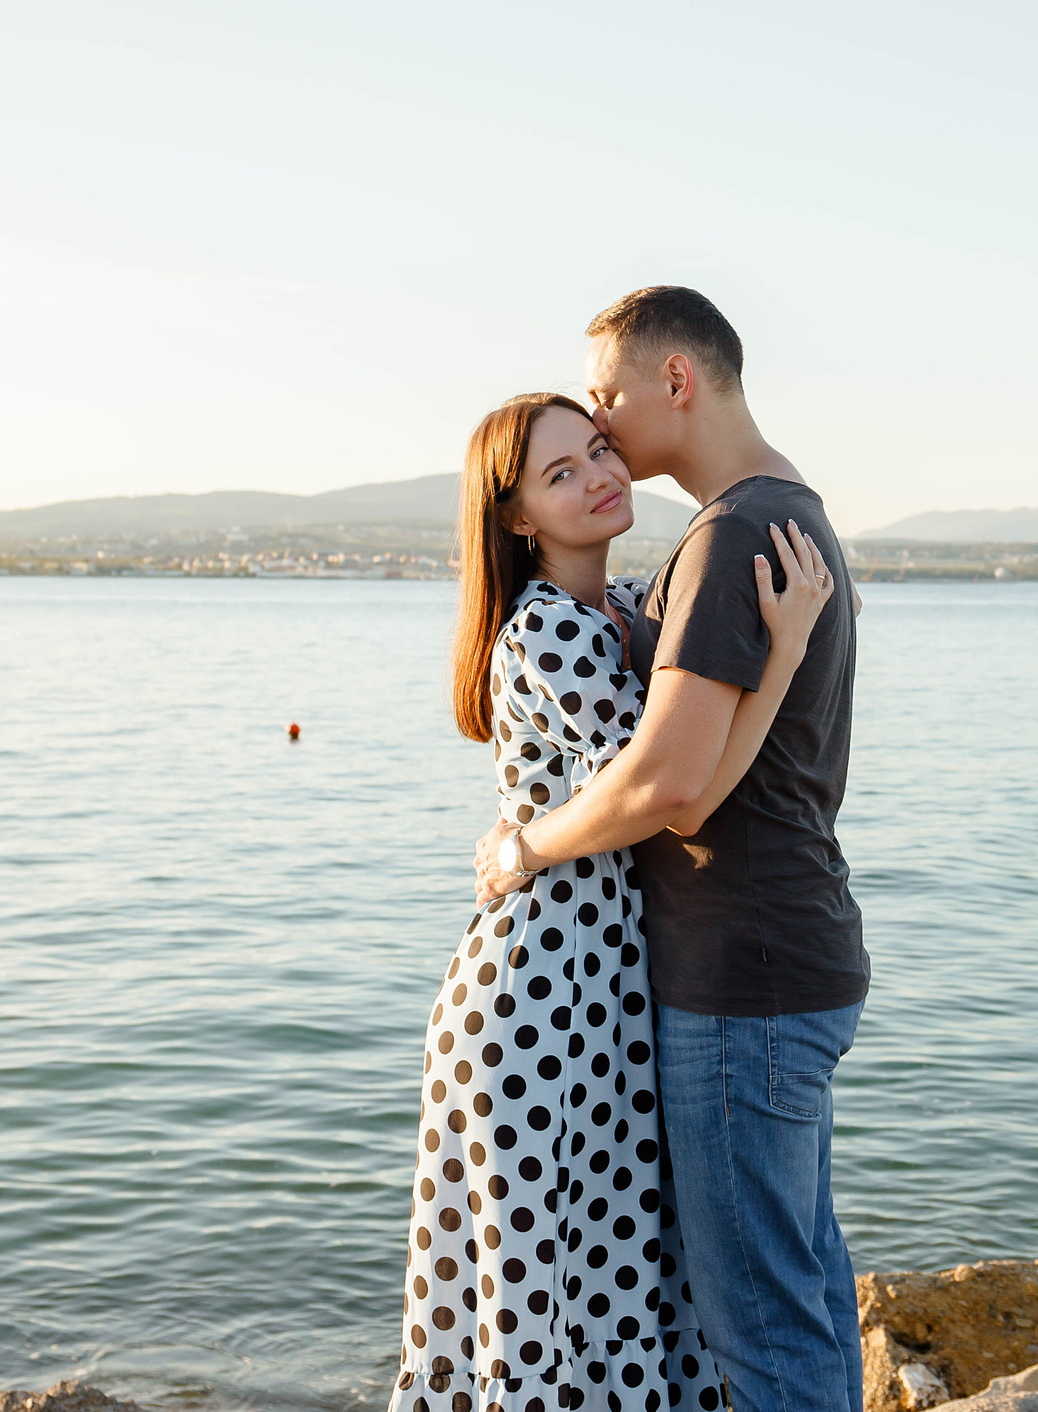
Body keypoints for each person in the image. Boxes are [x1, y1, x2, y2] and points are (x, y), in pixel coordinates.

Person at [394, 390, 837, 1412]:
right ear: (516, 516)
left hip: (602, 991)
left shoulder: (629, 607)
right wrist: (781, 657)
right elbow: (676, 793)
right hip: (540, 1001)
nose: (599, 475)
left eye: (599, 449)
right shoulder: (549, 632)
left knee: (610, 1287)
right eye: (562, 473)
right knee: (549, 1300)